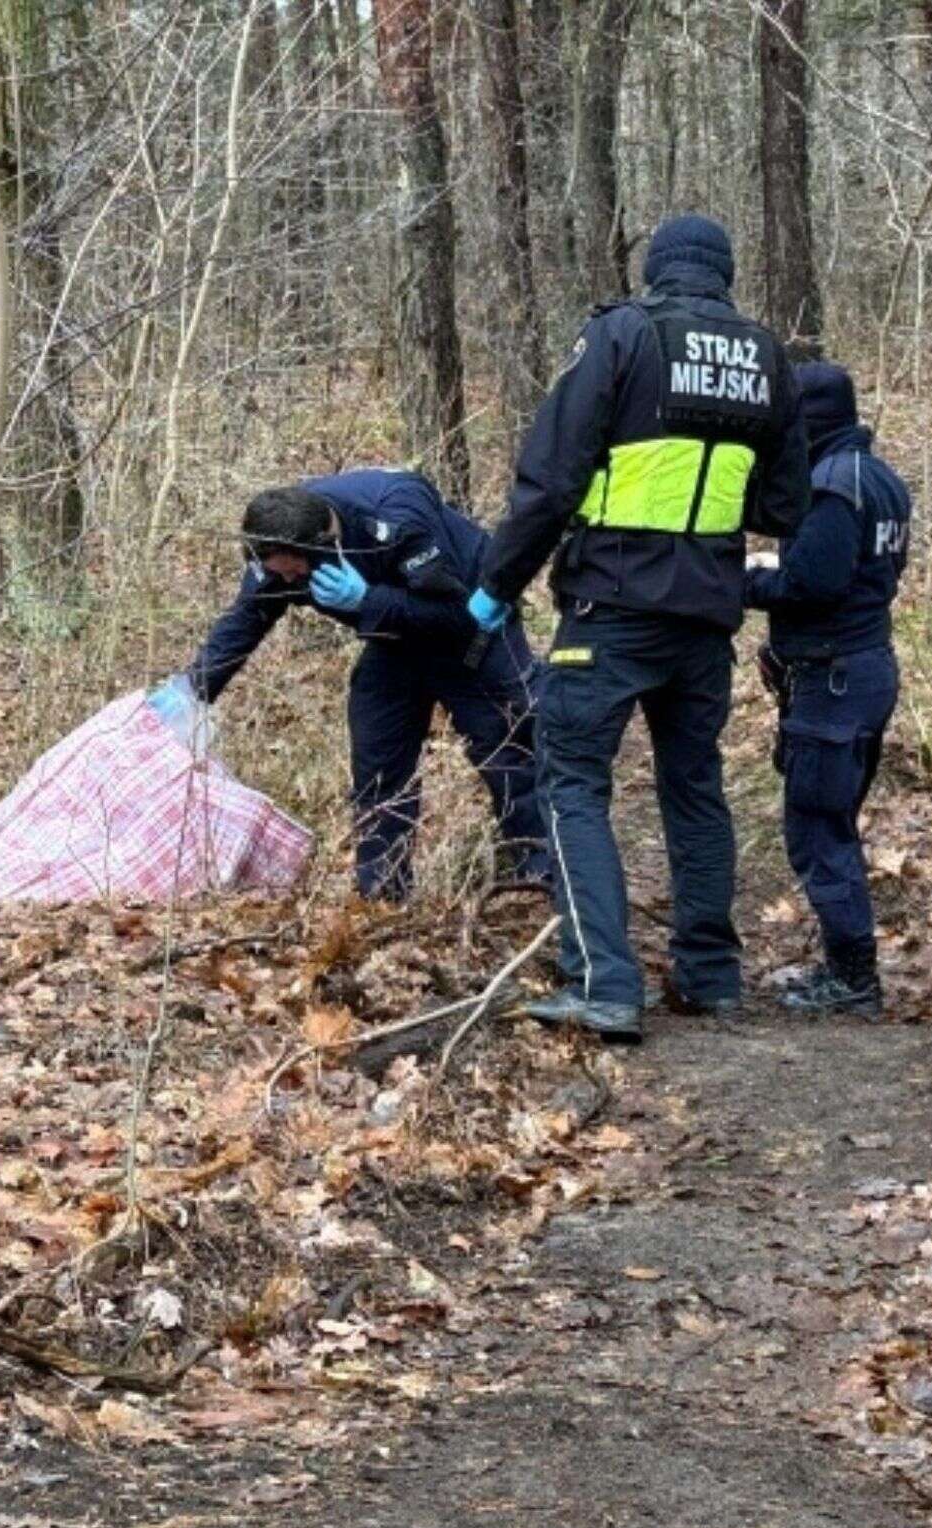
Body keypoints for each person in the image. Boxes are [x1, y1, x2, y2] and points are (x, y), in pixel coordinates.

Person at [467, 214, 813, 1043]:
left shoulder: (624, 335)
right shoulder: (766, 358)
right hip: (706, 613)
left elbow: (551, 480)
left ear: (656, 270)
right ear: (724, 275)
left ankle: (603, 981)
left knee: (571, 783)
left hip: (611, 605)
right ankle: (711, 975)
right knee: (694, 788)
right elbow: (785, 504)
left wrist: (496, 585)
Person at [162, 470, 549, 901]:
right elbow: (246, 620)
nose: (290, 584)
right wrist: (192, 692)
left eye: (294, 574)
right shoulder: (278, 538)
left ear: (322, 547)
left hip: (472, 629)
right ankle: (382, 895)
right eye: (281, 577)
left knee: (504, 750)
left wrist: (368, 600)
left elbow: (456, 616)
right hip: (393, 637)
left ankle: (545, 876)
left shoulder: (397, 521)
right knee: (378, 759)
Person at [745, 362, 911, 1016]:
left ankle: (853, 980)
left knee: (817, 829)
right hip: (862, 669)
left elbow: (811, 583)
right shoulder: (882, 482)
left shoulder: (833, 487)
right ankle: (846, 965)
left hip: (835, 680)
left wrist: (739, 582)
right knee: (831, 821)